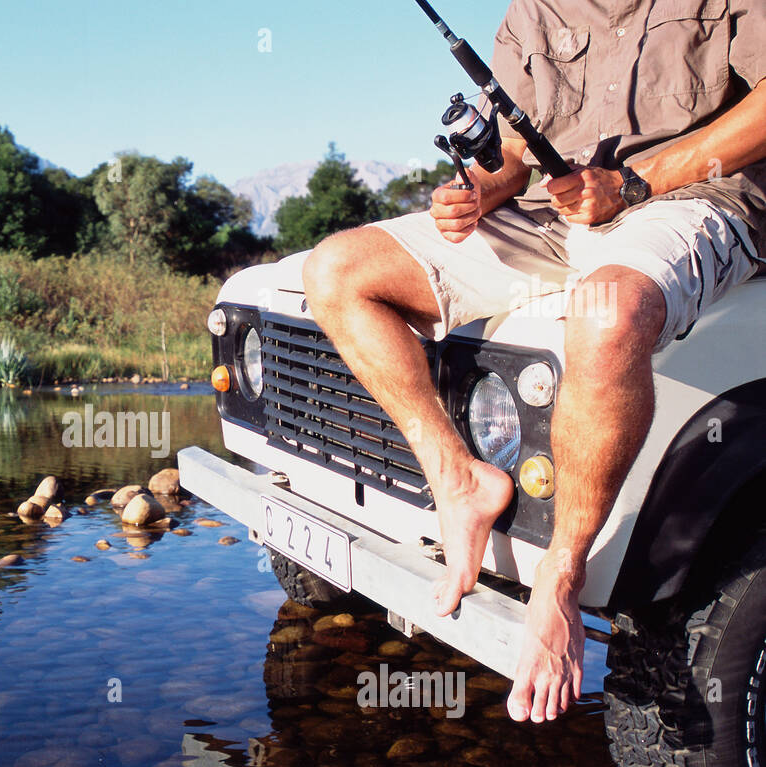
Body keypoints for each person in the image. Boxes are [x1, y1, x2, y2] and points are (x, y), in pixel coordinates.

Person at [301, 0, 766, 723]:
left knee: (607, 315)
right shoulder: (533, 13)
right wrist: (473, 194)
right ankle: (460, 481)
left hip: (693, 200)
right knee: (337, 271)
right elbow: (513, 157)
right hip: (554, 218)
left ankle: (561, 575)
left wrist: (639, 181)